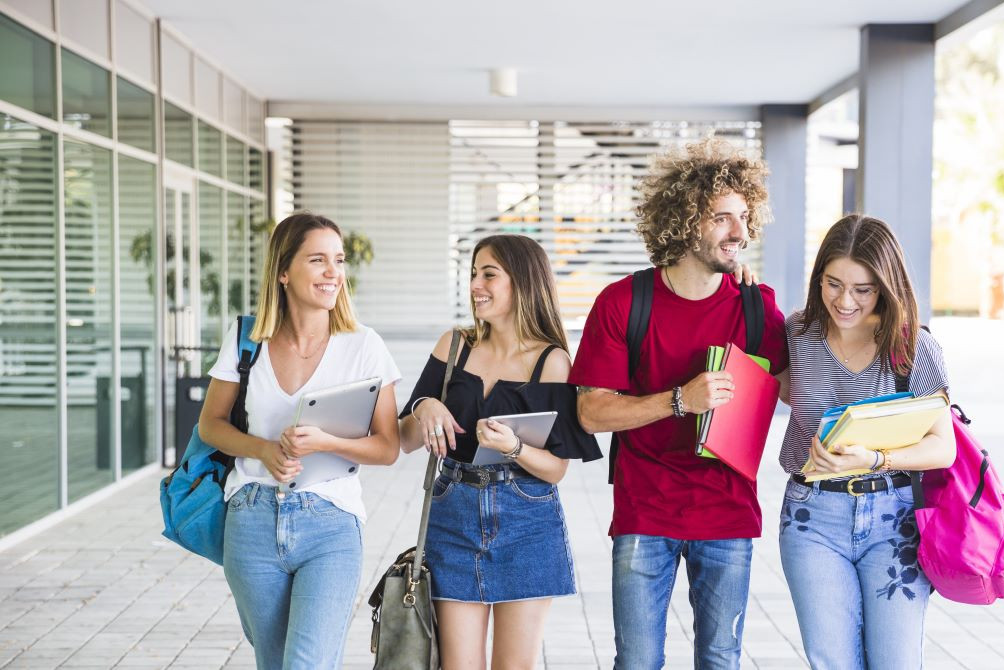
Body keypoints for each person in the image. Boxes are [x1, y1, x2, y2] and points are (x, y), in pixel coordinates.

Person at [570, 138, 788, 669]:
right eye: (721, 218)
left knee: (721, 659)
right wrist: (678, 401)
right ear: (682, 220)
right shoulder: (624, 302)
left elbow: (797, 392)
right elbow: (592, 411)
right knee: (637, 661)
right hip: (647, 511)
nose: (739, 233)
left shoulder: (758, 308)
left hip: (728, 513)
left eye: (743, 217)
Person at [198, 213, 403, 668]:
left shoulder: (364, 345)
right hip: (250, 519)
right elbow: (210, 425)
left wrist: (328, 441)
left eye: (339, 260)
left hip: (330, 523)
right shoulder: (247, 339)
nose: (334, 272)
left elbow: (387, 447)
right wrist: (264, 450)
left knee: (305, 664)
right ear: (284, 272)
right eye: (318, 260)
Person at [397, 234, 602, 670]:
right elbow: (405, 438)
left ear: (523, 282)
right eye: (473, 273)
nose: (476, 285)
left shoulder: (552, 361)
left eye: (489, 274)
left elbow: (555, 470)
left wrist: (514, 446)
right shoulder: (453, 346)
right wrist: (424, 404)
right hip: (452, 514)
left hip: (526, 521)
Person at [777, 214, 955, 670]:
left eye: (862, 289)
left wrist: (877, 458)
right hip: (811, 517)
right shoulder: (797, 336)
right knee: (832, 662)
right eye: (833, 284)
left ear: (885, 286)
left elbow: (943, 446)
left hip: (894, 521)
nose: (845, 301)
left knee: (895, 662)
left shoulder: (911, 346)